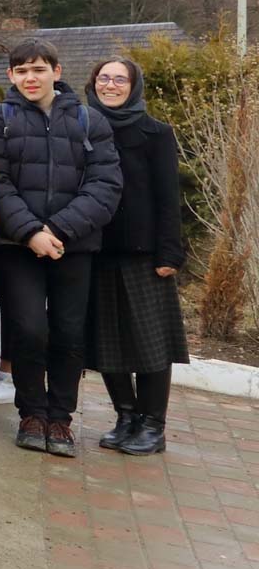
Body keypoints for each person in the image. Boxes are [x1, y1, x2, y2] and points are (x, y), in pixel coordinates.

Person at [0, 39, 123, 457]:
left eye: (38, 69)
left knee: (68, 331)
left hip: (73, 246)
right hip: (15, 245)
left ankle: (60, 418)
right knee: (27, 328)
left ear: (56, 72)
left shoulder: (89, 120)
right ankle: (31, 413)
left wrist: (57, 229)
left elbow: (106, 185)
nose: (30, 77)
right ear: (11, 76)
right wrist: (30, 233)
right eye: (21, 70)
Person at [85, 57, 187, 457]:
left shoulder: (155, 133)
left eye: (119, 79)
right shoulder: (83, 127)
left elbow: (168, 198)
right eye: (104, 78)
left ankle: (152, 425)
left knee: (150, 344)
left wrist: (170, 252)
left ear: (134, 85)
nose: (110, 85)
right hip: (96, 250)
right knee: (107, 342)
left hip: (144, 255)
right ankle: (125, 417)